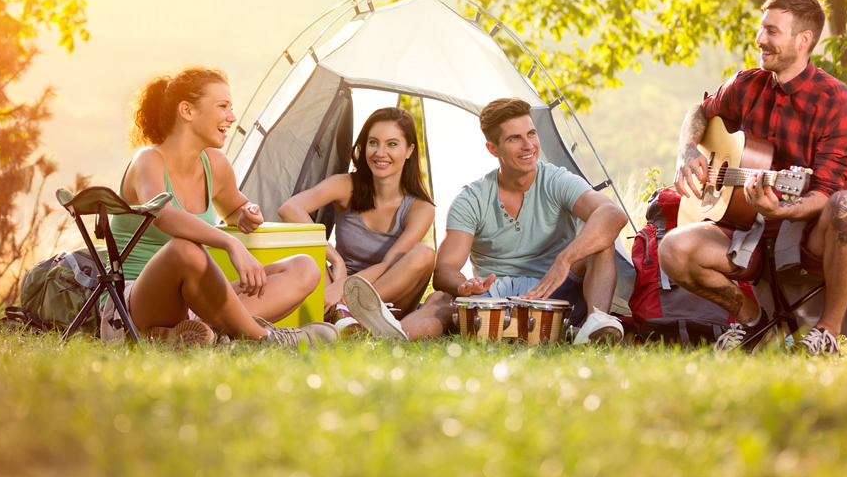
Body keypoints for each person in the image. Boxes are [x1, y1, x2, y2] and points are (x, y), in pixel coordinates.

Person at [658, 0, 847, 355]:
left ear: (803, 40)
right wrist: (687, 151)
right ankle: (753, 323)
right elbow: (700, 112)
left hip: (807, 234)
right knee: (673, 249)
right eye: (761, 29)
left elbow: (824, 193)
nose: (760, 40)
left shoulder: (840, 104)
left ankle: (826, 334)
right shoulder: (746, 84)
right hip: (745, 227)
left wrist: (780, 210)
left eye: (772, 31)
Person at [344, 97, 629, 344]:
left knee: (600, 241)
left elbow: (612, 214)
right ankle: (392, 333)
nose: (528, 145)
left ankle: (594, 323)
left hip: (558, 293)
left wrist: (564, 260)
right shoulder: (472, 198)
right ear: (493, 149)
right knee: (440, 300)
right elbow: (444, 270)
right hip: (494, 300)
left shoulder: (556, 180)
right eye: (515, 138)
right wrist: (463, 286)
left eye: (531, 133)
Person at [100, 66, 337, 347]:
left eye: (232, 107)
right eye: (223, 107)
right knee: (184, 248)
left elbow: (233, 208)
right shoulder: (148, 161)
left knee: (305, 267)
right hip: (133, 303)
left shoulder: (214, 164)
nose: (232, 117)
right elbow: (162, 215)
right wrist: (230, 243)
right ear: (187, 111)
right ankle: (266, 338)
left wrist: (247, 213)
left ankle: (201, 335)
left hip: (194, 305)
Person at [277, 106, 437, 335]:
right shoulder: (346, 185)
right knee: (306, 248)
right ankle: (339, 317)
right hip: (332, 288)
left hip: (385, 300)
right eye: (373, 143)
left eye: (392, 144)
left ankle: (348, 313)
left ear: (409, 150)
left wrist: (343, 290)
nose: (380, 153)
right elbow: (289, 209)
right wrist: (336, 260)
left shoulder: (421, 208)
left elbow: (390, 263)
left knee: (424, 253)